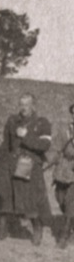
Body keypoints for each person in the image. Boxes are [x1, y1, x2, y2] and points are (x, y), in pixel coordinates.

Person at [0, 93, 52, 245]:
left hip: (28, 164)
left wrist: (26, 137)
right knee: (4, 195)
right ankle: (2, 229)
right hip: (10, 163)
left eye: (26, 104)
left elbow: (44, 145)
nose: (23, 108)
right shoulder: (12, 121)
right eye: (21, 104)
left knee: (29, 199)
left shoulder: (42, 123)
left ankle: (37, 230)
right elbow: (6, 144)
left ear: (33, 105)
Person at [50, 103, 74, 248]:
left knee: (71, 202)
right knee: (60, 199)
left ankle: (65, 235)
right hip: (62, 170)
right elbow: (56, 147)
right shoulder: (65, 130)